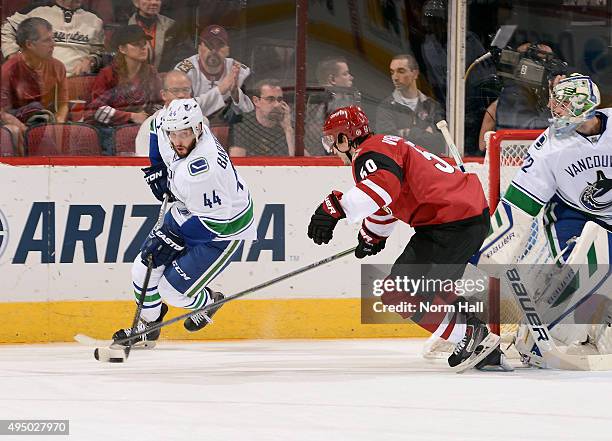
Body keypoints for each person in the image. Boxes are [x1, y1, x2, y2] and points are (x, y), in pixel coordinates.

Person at [306, 105, 500, 370]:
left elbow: (383, 189)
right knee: (430, 290)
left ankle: (470, 334)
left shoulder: (368, 154)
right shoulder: (384, 145)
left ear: (345, 138)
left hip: (450, 223)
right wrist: (371, 235)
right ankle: (485, 349)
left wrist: (334, 208)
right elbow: (388, 201)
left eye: (333, 140)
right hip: (462, 218)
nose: (332, 148)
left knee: (398, 293)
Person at [472, 74, 612, 365]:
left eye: (561, 104)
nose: (553, 109)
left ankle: (597, 330)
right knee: (573, 273)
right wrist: (494, 247)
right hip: (574, 213)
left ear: (581, 105)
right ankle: (537, 338)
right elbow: (521, 201)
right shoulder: (549, 145)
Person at [112, 98, 257, 346]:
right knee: (142, 268)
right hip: (189, 211)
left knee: (172, 292)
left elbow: (215, 223)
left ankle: (209, 302)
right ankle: (149, 325)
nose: (177, 141)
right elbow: (158, 126)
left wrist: (173, 239)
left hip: (223, 230)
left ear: (198, 129)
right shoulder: (171, 125)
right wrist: (157, 166)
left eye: (184, 134)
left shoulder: (203, 170)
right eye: (174, 134)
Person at [85, 25, 162, 154]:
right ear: (122, 49)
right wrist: (131, 116)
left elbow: (159, 102)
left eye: (144, 43)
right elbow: (95, 110)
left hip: (141, 127)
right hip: (109, 131)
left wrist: (149, 116)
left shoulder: (151, 72)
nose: (143, 47)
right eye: (136, 44)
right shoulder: (108, 74)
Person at [478, 43, 566, 152]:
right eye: (543, 62)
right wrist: (553, 106)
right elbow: (530, 133)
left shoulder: (537, 93)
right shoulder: (514, 94)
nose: (548, 69)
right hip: (514, 165)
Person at [1, 0, 105, 77]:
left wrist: (91, 61)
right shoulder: (37, 10)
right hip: (37, 79)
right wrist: (13, 55)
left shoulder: (94, 19)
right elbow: (6, 29)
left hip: (77, 82)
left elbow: (98, 53)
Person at [175, 24, 253, 124]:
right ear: (199, 49)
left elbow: (252, 114)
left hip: (229, 130)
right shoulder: (183, 72)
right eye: (209, 45)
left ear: (228, 51)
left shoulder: (241, 72)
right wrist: (220, 90)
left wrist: (236, 94)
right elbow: (180, 111)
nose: (214, 51)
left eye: (219, 46)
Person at [0, 17, 68, 127]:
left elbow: (63, 104)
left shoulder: (58, 67)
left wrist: (58, 123)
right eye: (47, 40)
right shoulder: (8, 70)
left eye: (52, 38)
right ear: (29, 45)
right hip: (17, 122)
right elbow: (3, 113)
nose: (53, 44)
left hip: (46, 121)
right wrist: (25, 130)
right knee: (34, 108)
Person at [375, 54, 446, 155]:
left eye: (401, 71)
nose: (395, 77)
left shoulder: (432, 106)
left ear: (415, 74)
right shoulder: (386, 107)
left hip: (429, 166)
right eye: (392, 72)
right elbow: (387, 143)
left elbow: (441, 141)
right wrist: (425, 133)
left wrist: (406, 132)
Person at [135, 70, 210, 156]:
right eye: (175, 90)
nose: (181, 95)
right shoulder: (151, 126)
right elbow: (145, 163)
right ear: (163, 95)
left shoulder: (202, 121)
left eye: (186, 90)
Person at [305, 56, 360, 155]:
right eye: (345, 74)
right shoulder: (319, 102)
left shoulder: (347, 98)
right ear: (332, 80)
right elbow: (315, 132)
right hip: (321, 159)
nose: (351, 77)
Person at [229, 79, 294, 157]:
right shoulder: (243, 124)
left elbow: (305, 164)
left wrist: (288, 130)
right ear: (256, 101)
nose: (277, 105)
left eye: (279, 100)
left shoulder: (288, 123)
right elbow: (237, 162)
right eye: (270, 99)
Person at [128, 0, 179, 71]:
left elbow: (184, 53)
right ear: (136, 2)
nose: (154, 2)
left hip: (165, 78)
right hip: (134, 78)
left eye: (157, 0)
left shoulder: (171, 26)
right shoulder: (125, 27)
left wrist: (171, 73)